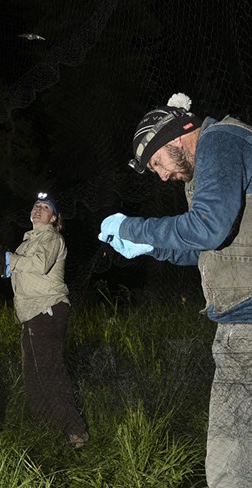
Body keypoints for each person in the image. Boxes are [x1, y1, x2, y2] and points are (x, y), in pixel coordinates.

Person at [99, 93, 252, 488]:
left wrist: (135, 228)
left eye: (156, 163)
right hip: (240, 318)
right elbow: (208, 250)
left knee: (229, 462)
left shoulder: (220, 140)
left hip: (247, 325)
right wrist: (153, 246)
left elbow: (207, 228)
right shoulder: (209, 164)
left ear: (175, 135)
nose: (162, 176)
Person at [0, 193, 88, 448]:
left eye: (45, 207)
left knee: (49, 370)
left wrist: (9, 260)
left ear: (54, 218)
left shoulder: (52, 237)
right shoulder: (26, 243)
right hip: (29, 313)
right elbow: (21, 270)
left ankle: (75, 430)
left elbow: (39, 265)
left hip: (47, 309)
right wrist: (7, 265)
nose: (38, 209)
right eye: (36, 206)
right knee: (32, 374)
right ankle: (46, 428)